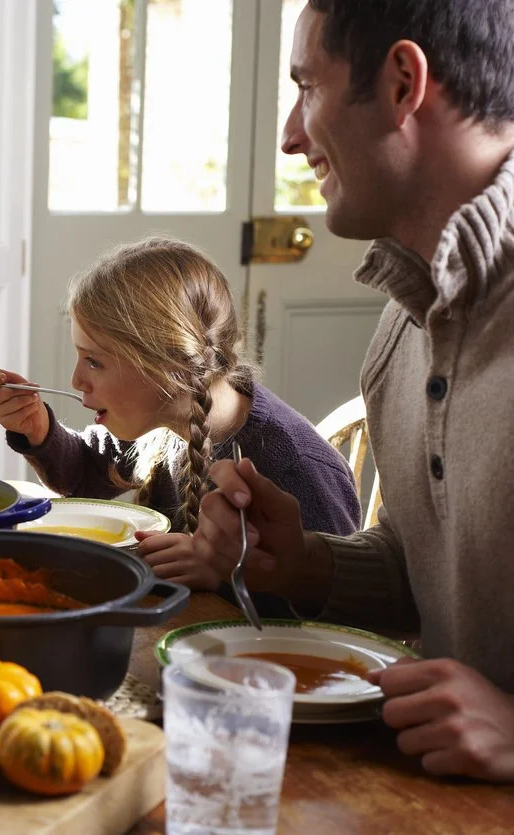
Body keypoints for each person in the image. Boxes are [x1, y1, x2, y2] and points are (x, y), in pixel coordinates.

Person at [193, 0, 514, 782]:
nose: (290, 136)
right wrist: (302, 563)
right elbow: (429, 572)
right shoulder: (402, 326)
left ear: (403, 83)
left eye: (307, 87)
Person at [0, 237, 360, 611]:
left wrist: (222, 574)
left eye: (94, 361)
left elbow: (341, 613)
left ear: (167, 366)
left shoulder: (295, 466)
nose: (76, 380)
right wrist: (38, 429)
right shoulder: (166, 418)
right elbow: (88, 473)